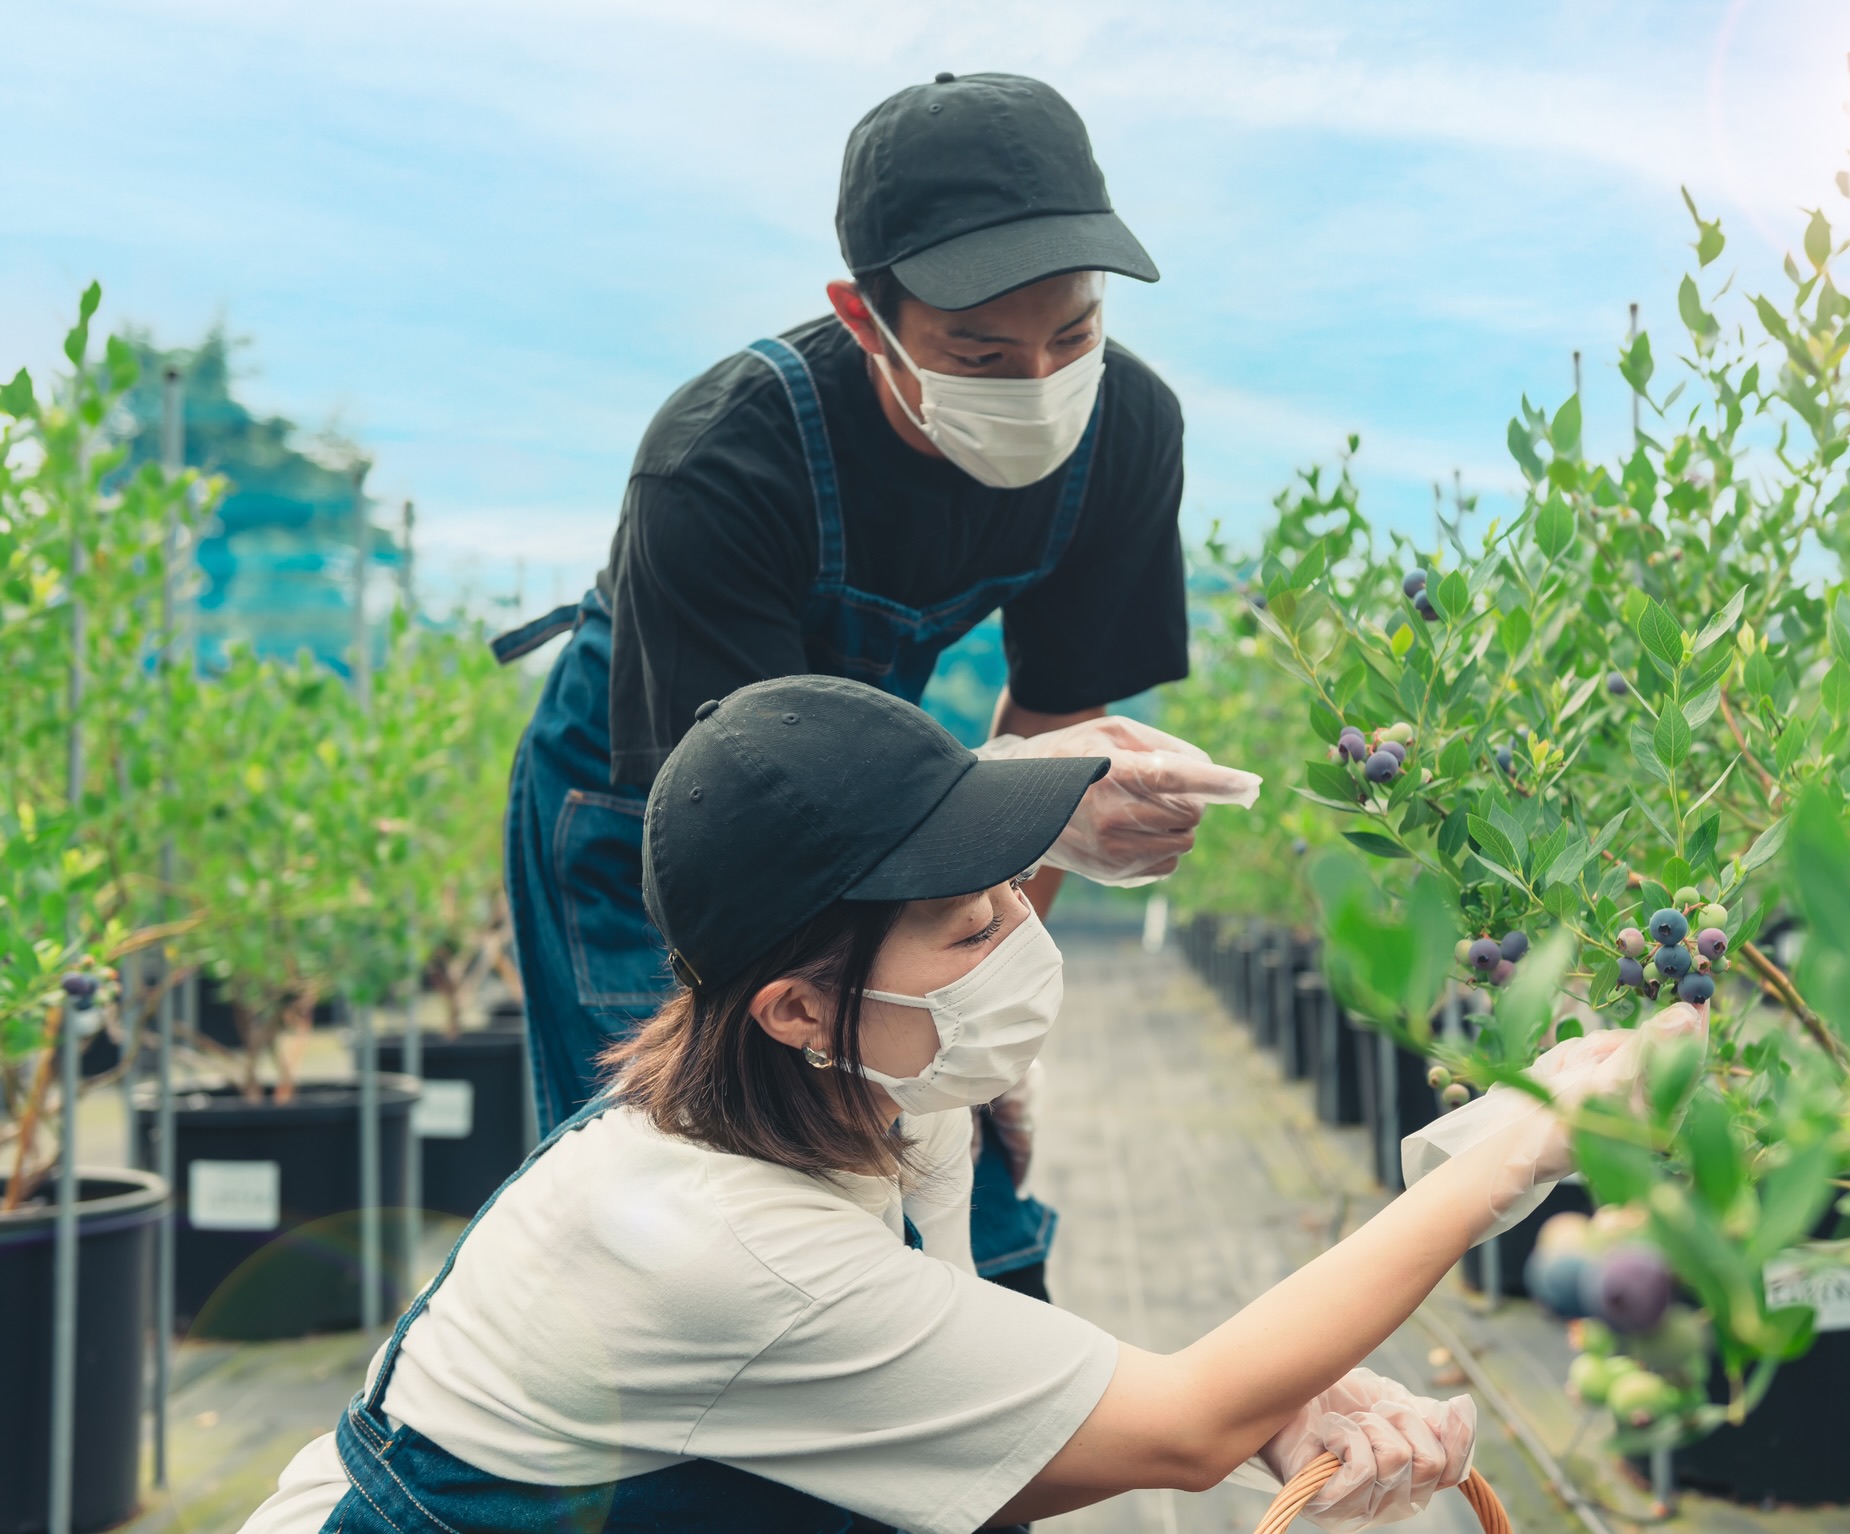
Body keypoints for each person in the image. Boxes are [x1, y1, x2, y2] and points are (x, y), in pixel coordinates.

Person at [243, 677, 1705, 1534]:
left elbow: (975, 1421)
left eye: (1015, 887)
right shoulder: (709, 1237)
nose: (1019, 932)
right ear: (798, 1002)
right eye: (966, 924)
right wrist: (1509, 1143)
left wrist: (1292, 1395)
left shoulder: (885, 1095)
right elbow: (1185, 1423)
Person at [495, 70, 1256, 1290]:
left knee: (950, 1210)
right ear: (865, 318)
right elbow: (747, 819)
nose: (1037, 384)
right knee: (681, 1201)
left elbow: (1056, 724)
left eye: (1073, 334)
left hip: (859, 799)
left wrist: (985, 1005)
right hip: (653, 801)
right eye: (979, 350)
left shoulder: (1121, 433)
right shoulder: (723, 458)